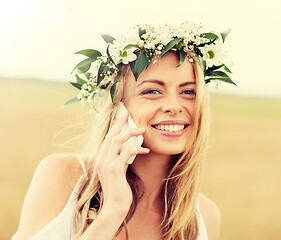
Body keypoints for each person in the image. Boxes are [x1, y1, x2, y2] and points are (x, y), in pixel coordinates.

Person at [12, 22, 235, 240]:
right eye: (153, 91)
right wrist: (112, 212)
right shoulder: (64, 177)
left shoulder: (205, 217)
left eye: (188, 92)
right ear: (118, 107)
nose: (174, 106)